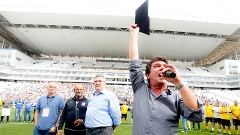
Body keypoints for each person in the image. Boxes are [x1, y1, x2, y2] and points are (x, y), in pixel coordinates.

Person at [128, 24, 205, 135]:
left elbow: (197, 116)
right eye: (157, 66)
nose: (162, 68)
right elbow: (134, 64)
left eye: (165, 67)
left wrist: (178, 81)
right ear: (148, 75)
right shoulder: (140, 88)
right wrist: (134, 34)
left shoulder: (177, 97)